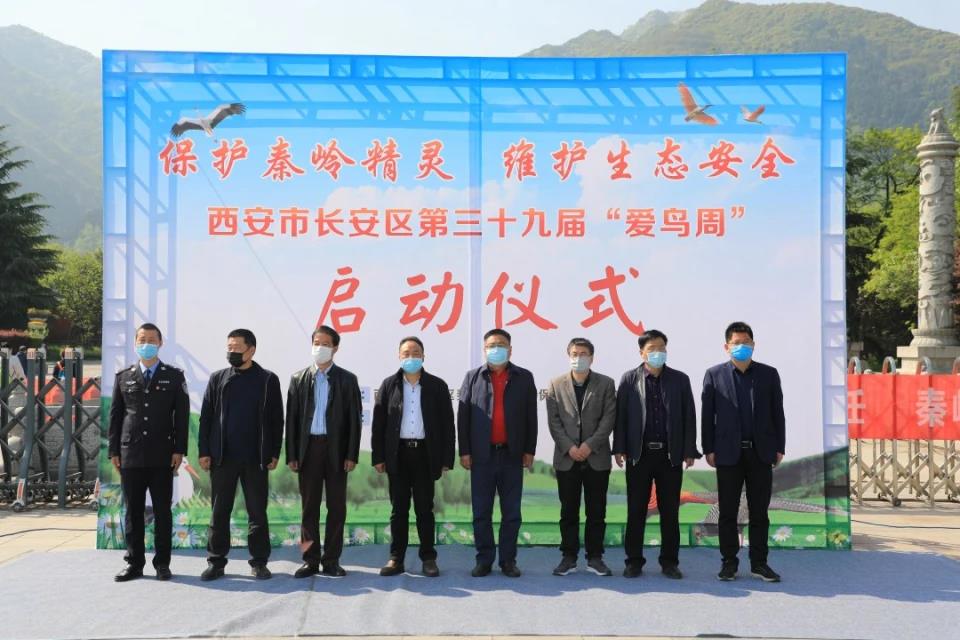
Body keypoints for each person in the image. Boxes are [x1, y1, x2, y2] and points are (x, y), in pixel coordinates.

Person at [701, 321, 785, 583]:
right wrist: (708, 448)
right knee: (728, 511)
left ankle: (759, 563)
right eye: (736, 343)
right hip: (728, 454)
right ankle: (729, 562)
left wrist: (779, 446)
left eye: (746, 343)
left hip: (761, 453)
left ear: (753, 345)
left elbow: (778, 413)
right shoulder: (714, 375)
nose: (741, 347)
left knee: (760, 512)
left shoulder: (768, 374)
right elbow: (707, 417)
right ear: (726, 347)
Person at [198, 328, 283, 581]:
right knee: (219, 512)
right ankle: (216, 562)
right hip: (223, 458)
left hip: (256, 458)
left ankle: (259, 562)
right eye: (229, 348)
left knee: (257, 513)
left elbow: (277, 420)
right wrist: (204, 451)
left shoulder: (267, 379)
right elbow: (206, 417)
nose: (231, 352)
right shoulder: (218, 379)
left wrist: (274, 452)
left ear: (251, 350)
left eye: (236, 348)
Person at [613, 329, 699, 579]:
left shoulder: (680, 380)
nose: (657, 353)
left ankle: (669, 562)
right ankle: (634, 561)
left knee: (670, 511)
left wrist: (689, 450)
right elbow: (621, 417)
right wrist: (619, 448)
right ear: (642, 352)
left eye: (661, 348)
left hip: (669, 456)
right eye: (652, 349)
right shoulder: (629, 379)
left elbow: (689, 416)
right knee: (636, 510)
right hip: (639, 455)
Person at [108, 323, 189, 582]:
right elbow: (116, 416)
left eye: (152, 340)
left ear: (160, 343)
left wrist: (179, 449)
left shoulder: (174, 376)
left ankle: (162, 564)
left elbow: (182, 417)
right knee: (133, 511)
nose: (146, 344)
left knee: (163, 511)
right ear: (135, 343)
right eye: (142, 339)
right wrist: (113, 450)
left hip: (162, 454)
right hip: (130, 454)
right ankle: (134, 563)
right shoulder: (123, 376)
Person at [371, 336, 455, 577]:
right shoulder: (389, 385)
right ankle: (396, 558)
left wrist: (446, 458)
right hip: (397, 455)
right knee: (398, 510)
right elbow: (379, 425)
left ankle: (428, 558)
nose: (411, 357)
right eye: (406, 353)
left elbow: (447, 425)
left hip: (425, 455)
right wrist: (378, 456)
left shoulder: (437, 386)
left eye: (416, 353)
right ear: (399, 356)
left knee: (424, 510)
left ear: (423, 356)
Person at [458, 328, 537, 578]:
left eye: (501, 344)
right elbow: (463, 417)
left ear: (510, 349)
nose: (496, 349)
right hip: (482, 456)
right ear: (484, 350)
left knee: (511, 513)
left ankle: (508, 560)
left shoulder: (524, 377)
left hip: (512, 455)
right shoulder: (473, 377)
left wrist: (529, 450)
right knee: (481, 512)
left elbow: (531, 417)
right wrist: (465, 451)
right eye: (491, 345)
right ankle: (484, 560)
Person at [286, 325, 362, 578]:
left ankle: (331, 560)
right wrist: (292, 454)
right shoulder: (298, 378)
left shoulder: (347, 380)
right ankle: (309, 559)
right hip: (308, 450)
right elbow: (292, 420)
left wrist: (351, 455)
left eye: (325, 344)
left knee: (337, 508)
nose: (320, 348)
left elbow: (354, 421)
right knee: (308, 509)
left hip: (336, 450)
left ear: (335, 348)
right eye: (316, 343)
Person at [545, 337, 616, 577]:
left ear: (592, 357)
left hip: (597, 457)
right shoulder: (555, 384)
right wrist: (570, 447)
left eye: (583, 354)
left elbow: (608, 419)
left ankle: (595, 558)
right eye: (574, 354)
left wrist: (588, 445)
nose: (579, 358)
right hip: (567, 458)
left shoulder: (606, 384)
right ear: (569, 356)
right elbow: (554, 422)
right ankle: (569, 557)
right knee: (568, 511)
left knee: (597, 512)